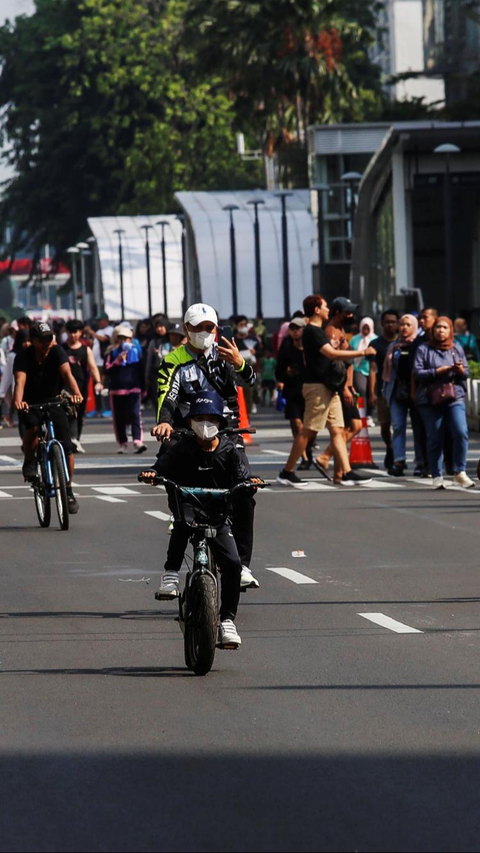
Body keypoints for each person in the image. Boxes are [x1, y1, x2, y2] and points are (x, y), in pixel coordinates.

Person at [141, 391, 263, 647]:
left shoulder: (230, 451)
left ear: (220, 423)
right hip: (188, 508)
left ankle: (228, 620)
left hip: (219, 516)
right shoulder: (181, 448)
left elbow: (243, 477)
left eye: (211, 419)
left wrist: (250, 483)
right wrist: (152, 473)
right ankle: (171, 573)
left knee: (232, 564)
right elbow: (161, 466)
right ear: (189, 422)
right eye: (199, 418)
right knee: (182, 525)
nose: (205, 425)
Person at [152, 302, 259, 590]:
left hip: (226, 434)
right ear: (186, 329)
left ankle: (243, 566)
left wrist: (239, 362)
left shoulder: (227, 354)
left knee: (244, 493)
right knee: (178, 497)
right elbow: (167, 395)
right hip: (186, 436)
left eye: (209, 327)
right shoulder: (173, 359)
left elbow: (251, 380)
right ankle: (171, 570)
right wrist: (164, 423)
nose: (204, 333)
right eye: (197, 328)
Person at [277, 295, 375, 487]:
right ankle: (287, 472)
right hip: (317, 386)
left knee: (338, 430)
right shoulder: (313, 331)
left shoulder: (317, 332)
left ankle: (346, 472)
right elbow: (331, 354)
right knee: (308, 430)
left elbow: (328, 353)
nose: (328, 309)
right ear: (316, 310)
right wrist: (362, 352)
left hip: (329, 387)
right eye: (325, 306)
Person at [13, 321, 83, 513]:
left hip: (54, 400)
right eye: (42, 339)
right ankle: (29, 461)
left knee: (67, 447)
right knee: (33, 428)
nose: (47, 342)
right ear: (32, 341)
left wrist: (76, 394)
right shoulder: (23, 356)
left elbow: (67, 373)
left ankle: (68, 490)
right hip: (31, 402)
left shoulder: (57, 351)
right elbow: (20, 381)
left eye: (50, 338)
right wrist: (19, 402)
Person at [414, 316, 474, 489]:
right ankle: (437, 474)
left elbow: (467, 373)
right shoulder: (423, 349)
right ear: (433, 330)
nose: (441, 331)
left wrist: (461, 370)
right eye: (438, 327)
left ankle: (459, 471)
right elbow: (417, 373)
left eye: (445, 328)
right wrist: (437, 371)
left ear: (450, 331)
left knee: (461, 431)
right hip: (429, 399)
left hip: (454, 397)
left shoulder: (456, 348)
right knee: (435, 437)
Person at [313, 297, 363, 480]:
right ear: (336, 313)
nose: (351, 315)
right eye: (347, 312)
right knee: (352, 426)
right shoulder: (331, 332)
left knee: (343, 429)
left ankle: (338, 472)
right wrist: (345, 388)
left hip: (346, 385)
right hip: (340, 387)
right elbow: (334, 363)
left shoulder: (340, 330)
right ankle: (325, 457)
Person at [382, 314, 427, 477]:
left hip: (417, 392)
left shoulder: (421, 345)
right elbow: (389, 371)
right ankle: (398, 461)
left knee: (418, 428)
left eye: (408, 324)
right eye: (401, 324)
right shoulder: (394, 345)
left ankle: (420, 462)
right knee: (398, 427)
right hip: (397, 391)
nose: (404, 327)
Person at [275, 317, 313, 468]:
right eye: (293, 328)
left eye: (298, 328)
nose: (295, 331)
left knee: (309, 427)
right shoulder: (287, 348)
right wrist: (286, 373)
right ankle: (304, 457)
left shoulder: (312, 348)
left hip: (310, 390)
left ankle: (307, 449)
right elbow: (279, 371)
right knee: (296, 423)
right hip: (292, 391)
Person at [104, 325, 147, 454]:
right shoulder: (112, 352)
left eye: (126, 338)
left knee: (135, 415)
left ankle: (137, 441)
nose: (123, 341)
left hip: (133, 389)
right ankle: (122, 443)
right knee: (119, 418)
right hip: (117, 390)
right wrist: (117, 361)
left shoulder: (137, 352)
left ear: (130, 339)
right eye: (121, 338)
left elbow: (141, 371)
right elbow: (107, 370)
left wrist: (143, 389)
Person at [62, 320, 103, 453]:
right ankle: (67, 440)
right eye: (71, 332)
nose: (73, 335)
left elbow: (93, 367)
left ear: (80, 333)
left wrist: (98, 381)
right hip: (63, 389)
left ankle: (75, 439)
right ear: (67, 332)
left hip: (81, 387)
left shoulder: (86, 350)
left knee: (78, 415)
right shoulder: (61, 349)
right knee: (66, 415)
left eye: (76, 332)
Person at [368, 309, 400, 469]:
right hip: (383, 389)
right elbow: (372, 370)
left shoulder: (403, 342)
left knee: (399, 425)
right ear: (381, 324)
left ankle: (398, 457)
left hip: (401, 390)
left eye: (393, 322)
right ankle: (390, 446)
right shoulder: (375, 344)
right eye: (387, 322)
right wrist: (372, 393)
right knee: (385, 425)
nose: (390, 325)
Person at [84, 313, 114, 418]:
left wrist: (91, 332)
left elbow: (104, 339)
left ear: (106, 320)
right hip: (95, 363)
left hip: (103, 362)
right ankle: (97, 408)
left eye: (100, 320)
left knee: (104, 385)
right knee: (96, 386)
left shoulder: (110, 329)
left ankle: (107, 408)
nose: (98, 323)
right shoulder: (98, 331)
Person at [350, 317, 377, 425]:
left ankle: (369, 414)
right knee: (361, 391)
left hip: (372, 370)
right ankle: (362, 414)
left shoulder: (375, 339)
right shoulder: (355, 339)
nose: (365, 331)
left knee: (372, 391)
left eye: (367, 328)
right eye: (363, 328)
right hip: (359, 369)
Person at [145, 316, 171, 410]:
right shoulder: (154, 342)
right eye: (157, 327)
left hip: (170, 372)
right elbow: (149, 360)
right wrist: (147, 375)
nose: (159, 329)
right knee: (157, 399)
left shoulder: (171, 340)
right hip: (156, 373)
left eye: (161, 326)